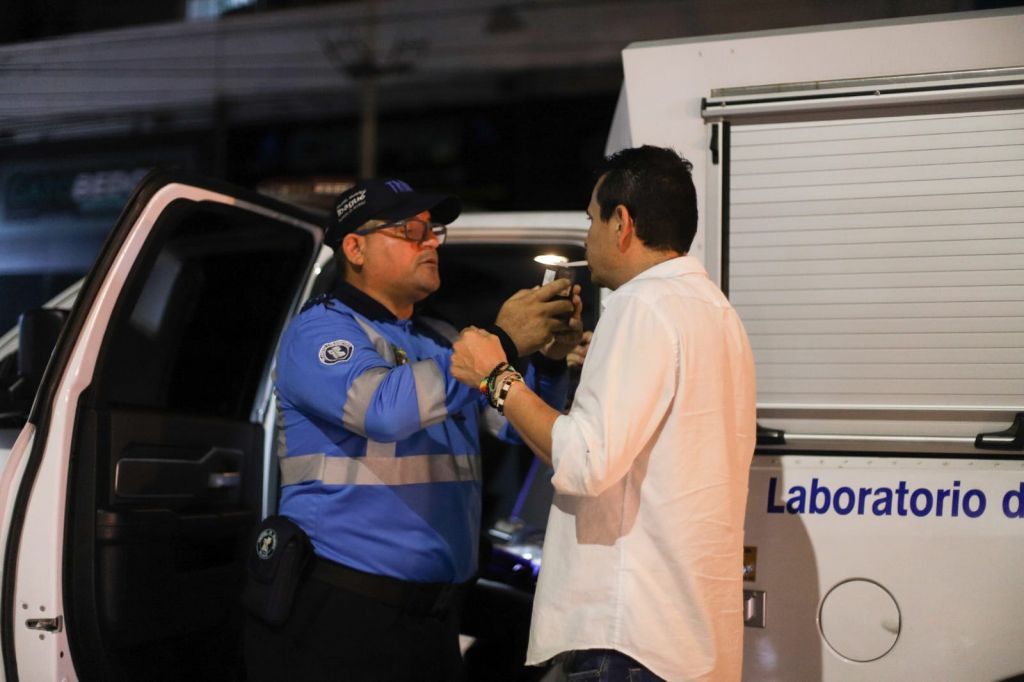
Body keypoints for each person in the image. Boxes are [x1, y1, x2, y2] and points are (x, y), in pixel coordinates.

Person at [244, 178, 581, 681]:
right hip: (346, 609)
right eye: (410, 230)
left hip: (432, 617)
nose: (430, 242)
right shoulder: (320, 331)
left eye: (433, 231)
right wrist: (505, 342)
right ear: (354, 248)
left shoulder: (439, 338)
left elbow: (512, 428)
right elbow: (382, 408)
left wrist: (550, 364)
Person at [451, 145, 757, 681]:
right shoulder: (715, 310)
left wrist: (495, 375)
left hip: (629, 637)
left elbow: (585, 460)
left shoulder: (640, 305)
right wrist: (559, 370)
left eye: (592, 218)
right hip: (686, 638)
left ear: (623, 223)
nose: (587, 235)